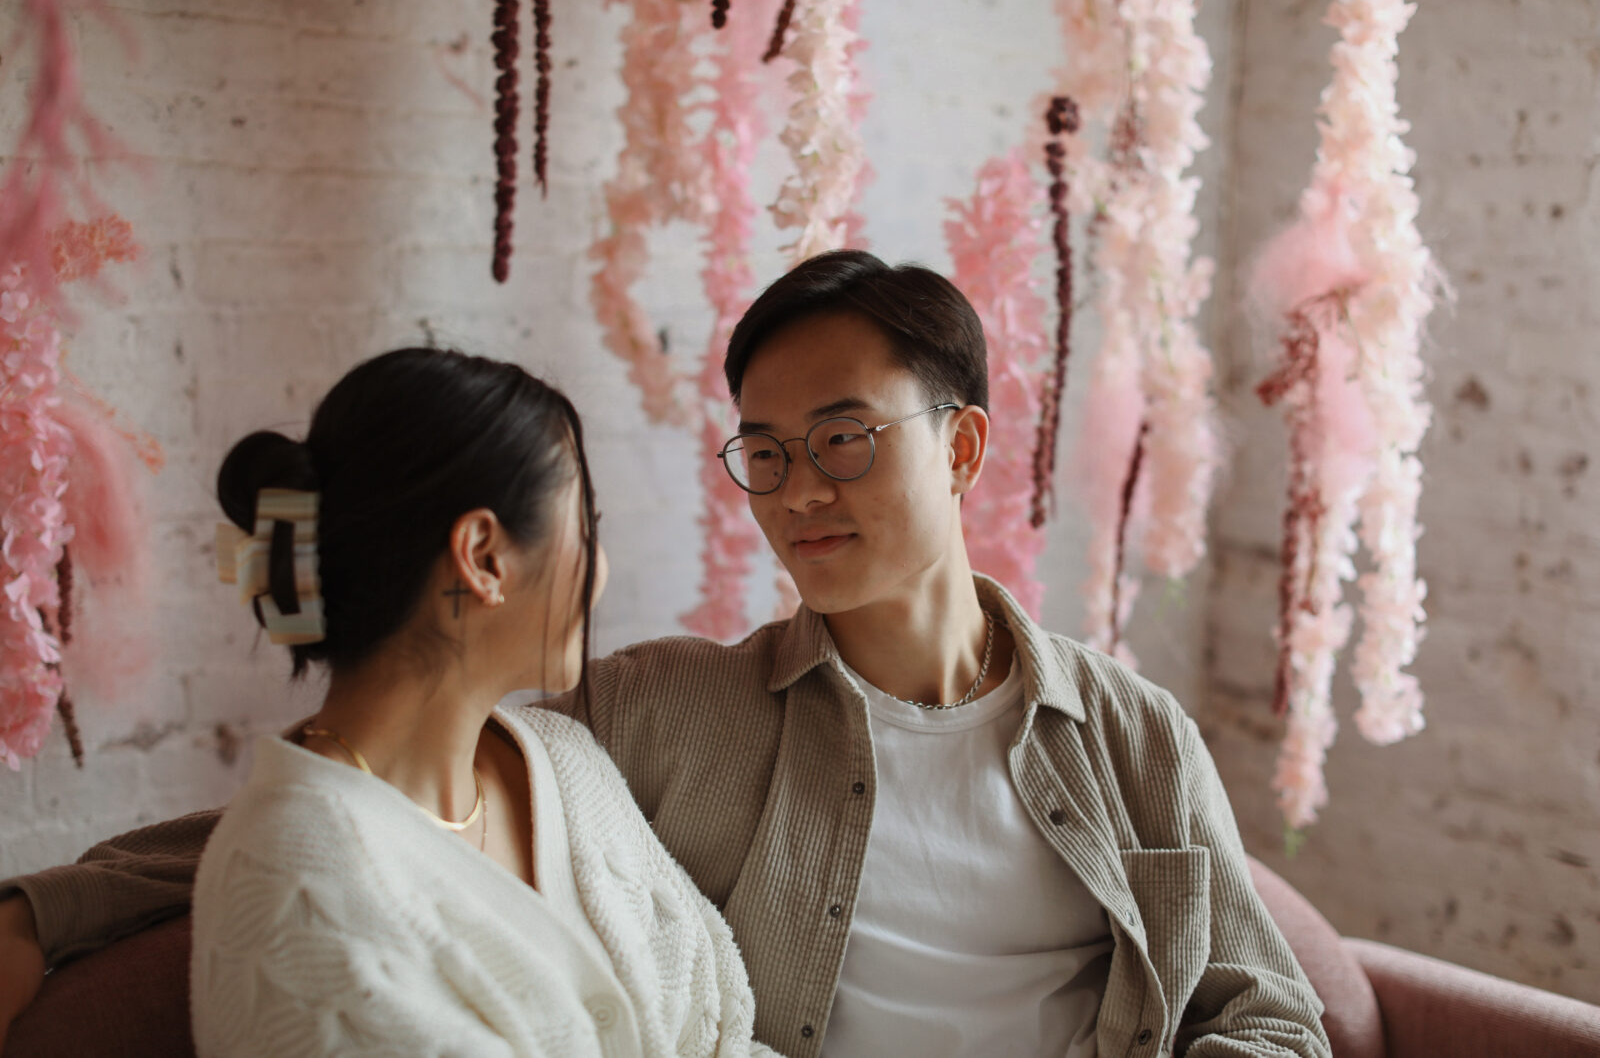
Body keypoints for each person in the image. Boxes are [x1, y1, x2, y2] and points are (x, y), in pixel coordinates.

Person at [0, 251, 1330, 1058]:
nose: (799, 485)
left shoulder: (1131, 731)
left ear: (965, 444)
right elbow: (386, 774)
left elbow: (1268, 1009)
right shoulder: (677, 706)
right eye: (764, 448)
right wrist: (55, 905)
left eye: (846, 434)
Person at [73, 347, 774, 1056]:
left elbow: (728, 1032)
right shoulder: (300, 889)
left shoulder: (567, 764)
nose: (602, 573)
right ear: (483, 556)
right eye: (586, 528)